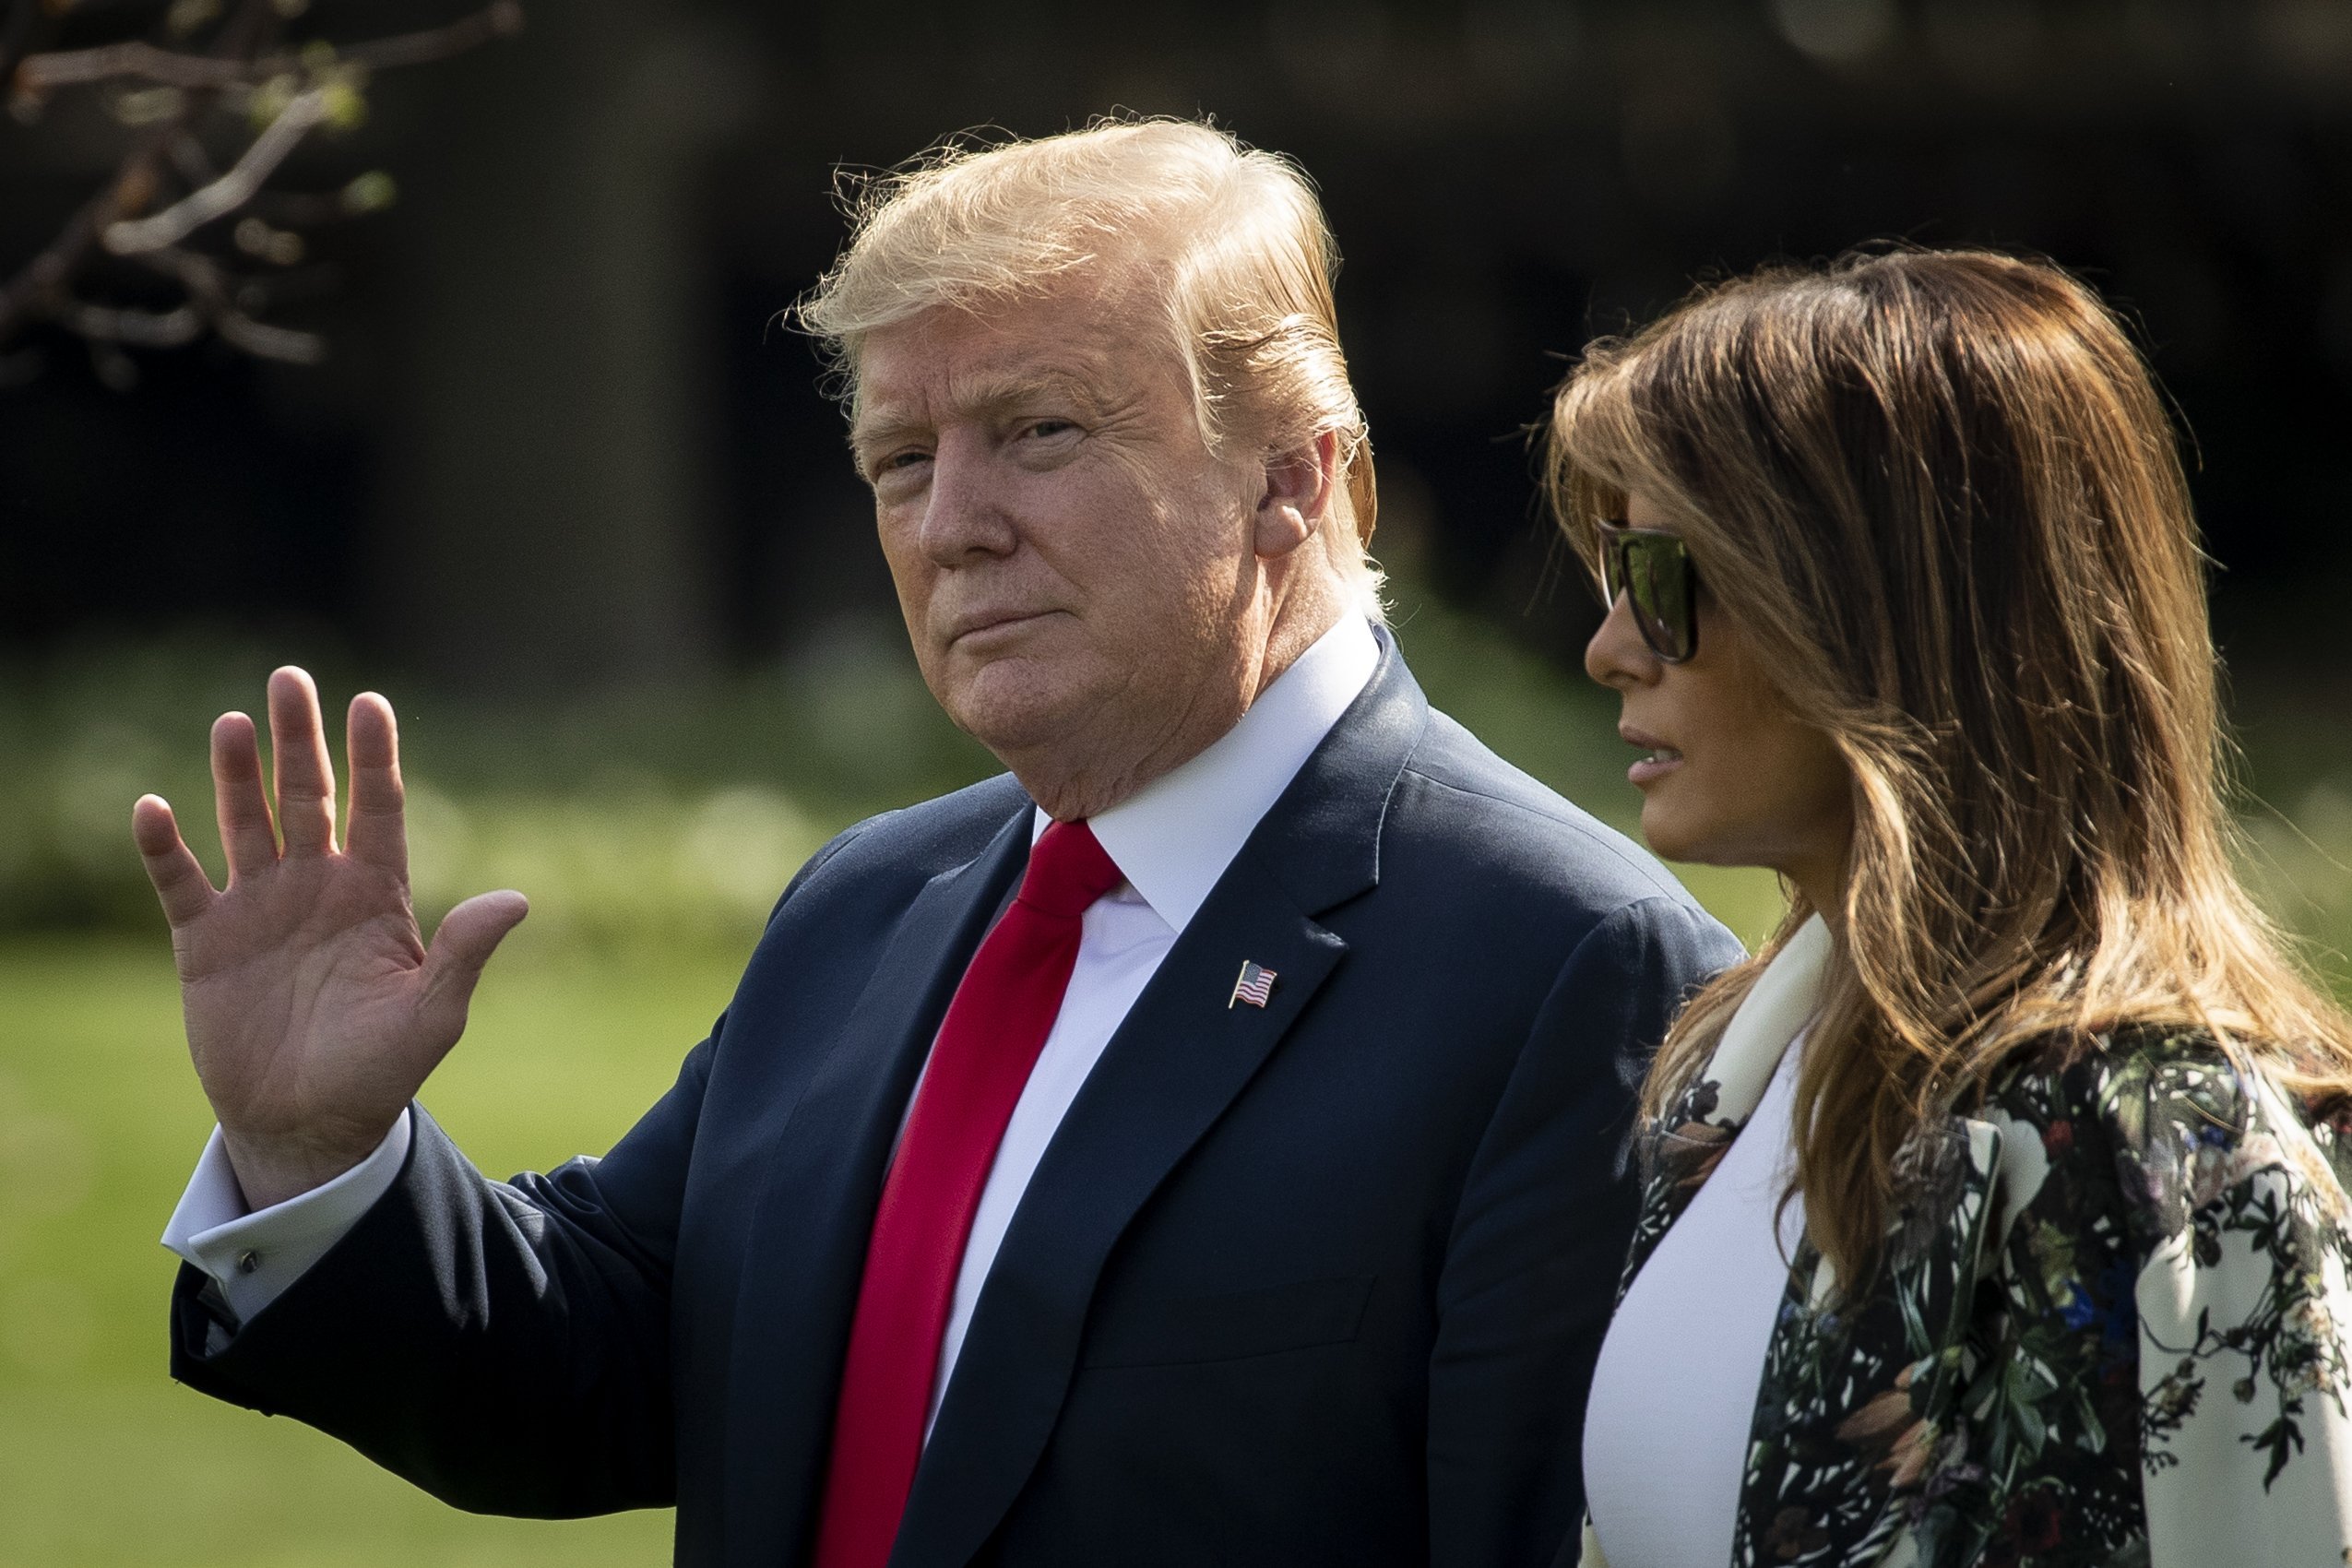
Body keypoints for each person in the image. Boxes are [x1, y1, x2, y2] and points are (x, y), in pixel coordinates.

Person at [135, 120, 1738, 1568]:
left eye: (1038, 431)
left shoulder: (1569, 961)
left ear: (1293, 476)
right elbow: (610, 1365)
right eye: (901, 460)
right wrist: (319, 1160)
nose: (948, 522)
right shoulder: (871, 901)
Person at [1549, 247, 2352, 1568]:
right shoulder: (1732, 1064)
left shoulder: (2159, 1146)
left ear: (1876, 616)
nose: (1607, 645)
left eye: (1659, 574)